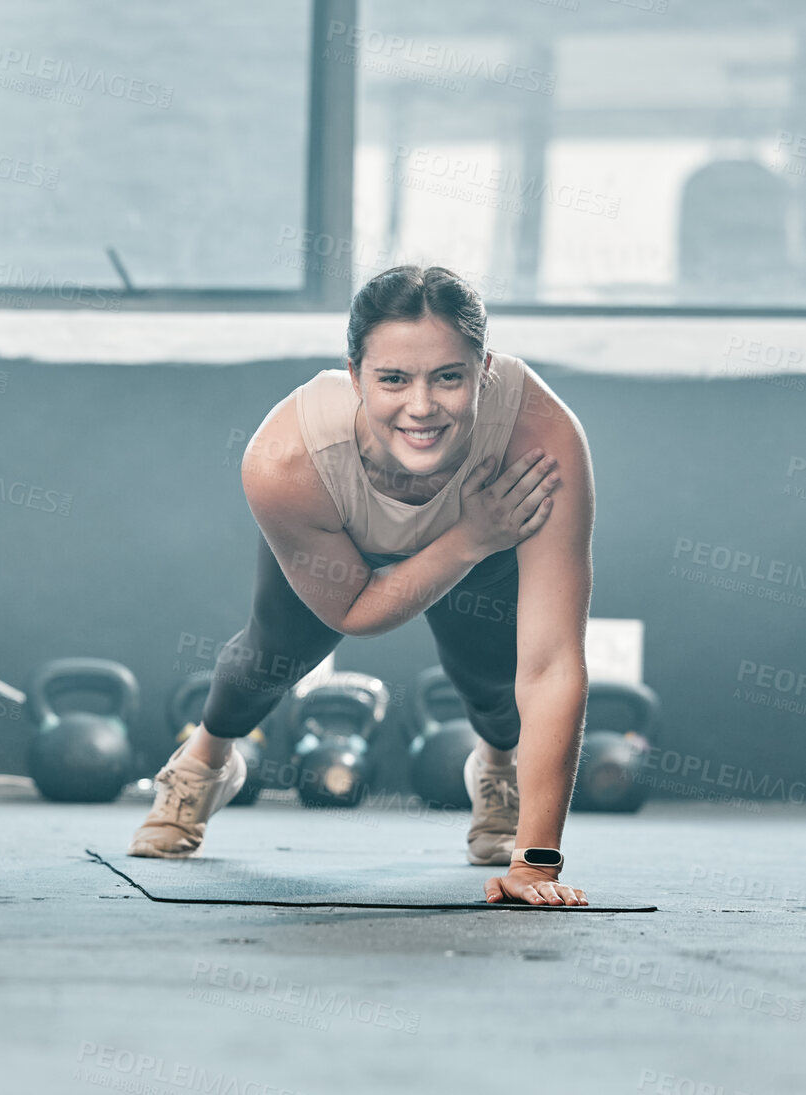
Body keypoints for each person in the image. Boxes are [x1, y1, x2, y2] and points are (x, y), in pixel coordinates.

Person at [129, 265, 594, 907]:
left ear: (484, 368)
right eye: (393, 379)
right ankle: (204, 762)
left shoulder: (539, 436)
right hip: (376, 534)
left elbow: (551, 665)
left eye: (449, 377)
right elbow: (355, 612)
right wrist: (467, 535)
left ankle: (498, 771)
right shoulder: (286, 459)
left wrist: (536, 865)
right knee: (267, 658)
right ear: (354, 376)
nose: (422, 406)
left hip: (488, 534)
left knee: (491, 677)